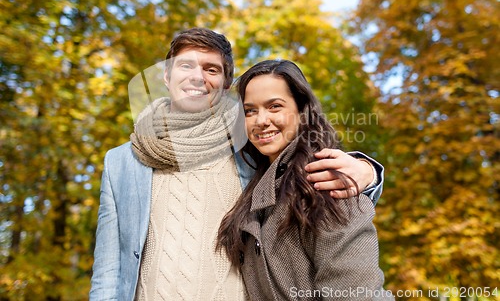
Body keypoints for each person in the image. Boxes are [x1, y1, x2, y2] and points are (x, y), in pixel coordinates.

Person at [89, 28, 385, 300]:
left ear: (226, 82)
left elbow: (300, 166)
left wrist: (367, 172)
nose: (197, 76)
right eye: (186, 65)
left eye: (211, 69)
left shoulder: (245, 147)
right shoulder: (121, 162)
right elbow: (107, 272)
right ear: (166, 76)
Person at [217, 59, 393, 301]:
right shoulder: (251, 185)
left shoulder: (326, 185)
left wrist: (367, 171)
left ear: (302, 112)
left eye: (275, 106)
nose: (261, 120)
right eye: (250, 111)